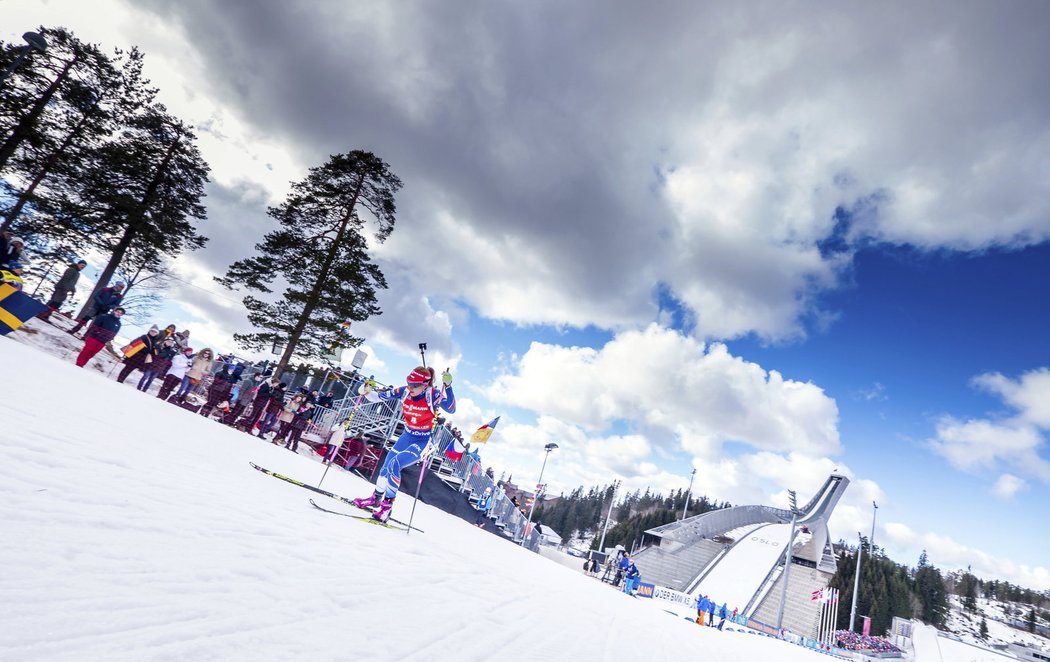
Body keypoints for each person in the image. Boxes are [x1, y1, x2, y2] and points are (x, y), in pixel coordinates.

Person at [351, 366, 456, 523]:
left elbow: (452, 409)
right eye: (408, 383)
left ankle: (387, 508)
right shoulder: (404, 391)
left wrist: (448, 387)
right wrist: (365, 391)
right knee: (385, 469)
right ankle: (375, 499)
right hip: (406, 436)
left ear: (425, 384)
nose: (410, 387)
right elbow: (376, 397)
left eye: (414, 385)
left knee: (396, 464)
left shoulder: (433, 394)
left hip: (423, 440)